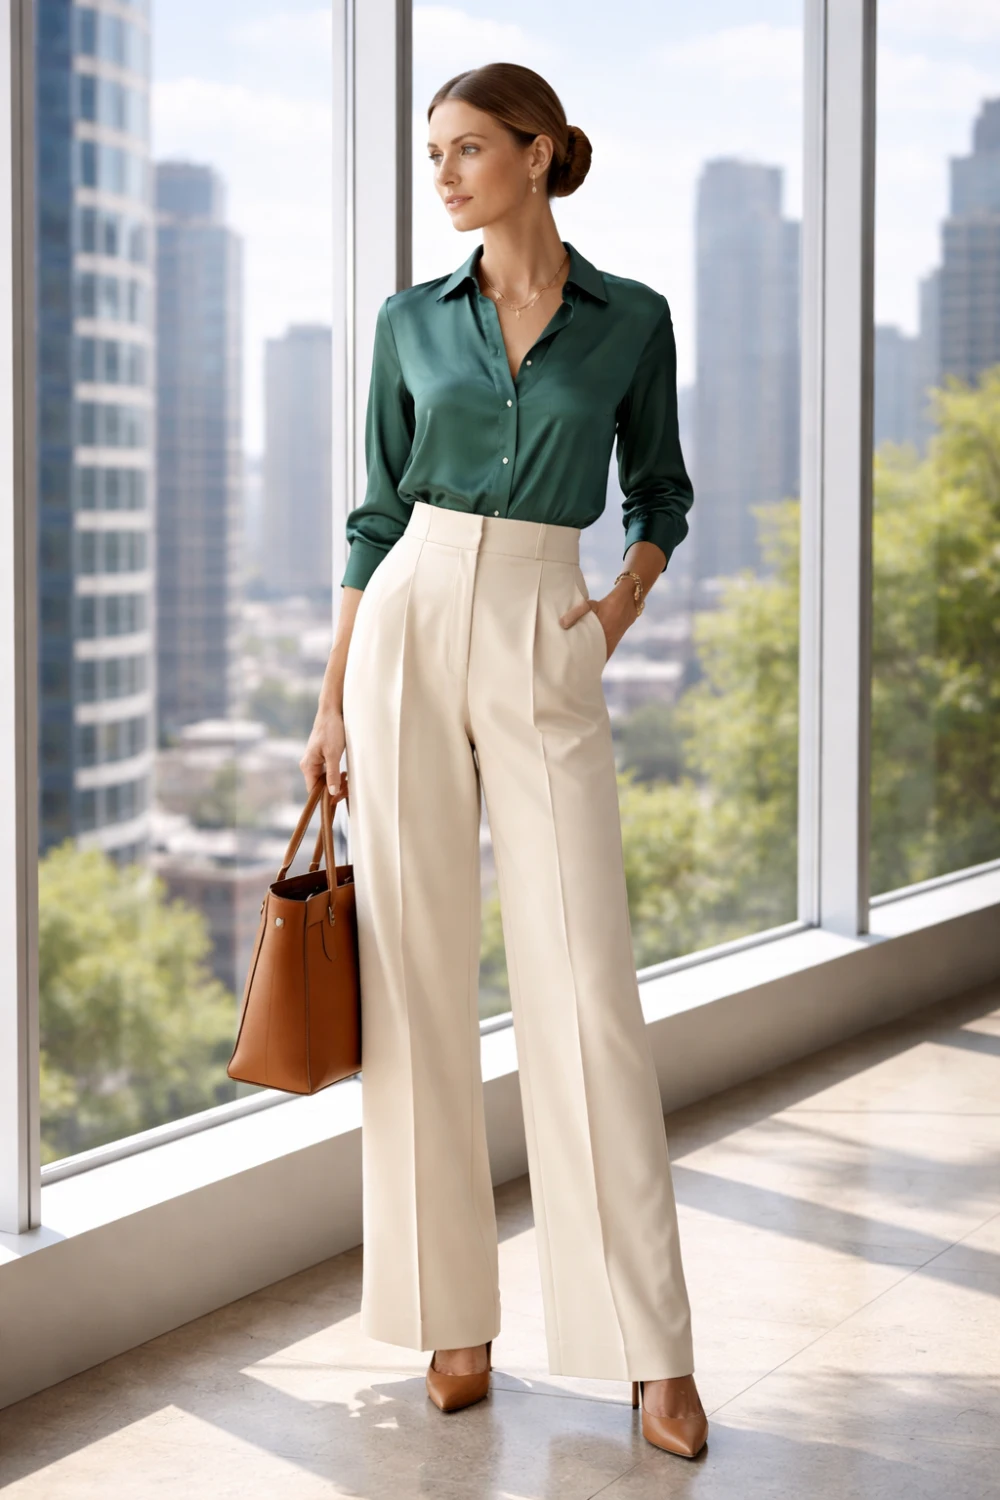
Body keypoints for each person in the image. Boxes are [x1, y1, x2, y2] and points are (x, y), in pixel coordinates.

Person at [302, 61, 708, 1461]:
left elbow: (661, 489)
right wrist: (331, 698)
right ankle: (448, 1317)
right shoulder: (411, 321)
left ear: (537, 155)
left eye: (468, 149)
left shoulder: (630, 318)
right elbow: (373, 511)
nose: (445, 175)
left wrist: (618, 606)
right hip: (411, 612)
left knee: (586, 986)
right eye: (435, 154)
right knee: (415, 974)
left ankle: (651, 1351)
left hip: (546, 619)